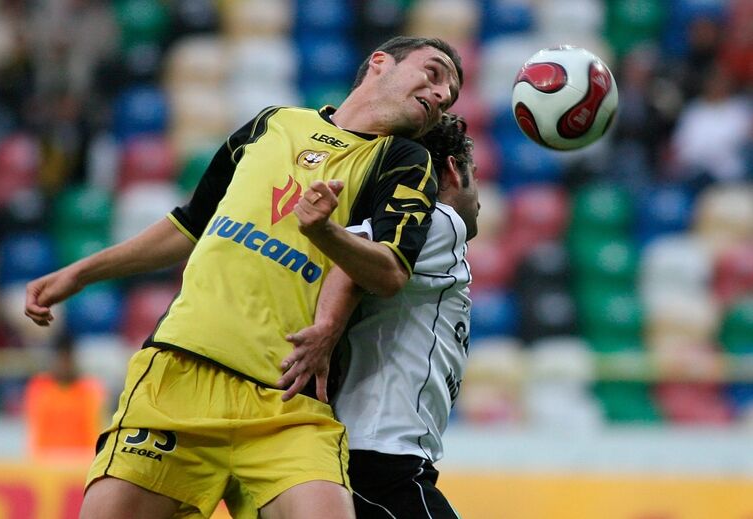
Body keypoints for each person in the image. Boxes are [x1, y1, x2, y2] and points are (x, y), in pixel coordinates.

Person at [24, 36, 463, 519]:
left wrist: (325, 231)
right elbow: (190, 224)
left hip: (286, 399)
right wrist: (82, 273)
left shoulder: (404, 161)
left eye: (452, 94)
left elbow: (389, 271)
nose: (442, 95)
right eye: (435, 72)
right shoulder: (272, 123)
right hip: (181, 374)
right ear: (380, 63)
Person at [278, 113, 479, 518]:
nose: (480, 199)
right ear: (454, 171)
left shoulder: (402, 227)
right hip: (382, 455)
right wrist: (326, 330)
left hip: (376, 453)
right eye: (475, 177)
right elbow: (348, 258)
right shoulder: (438, 220)